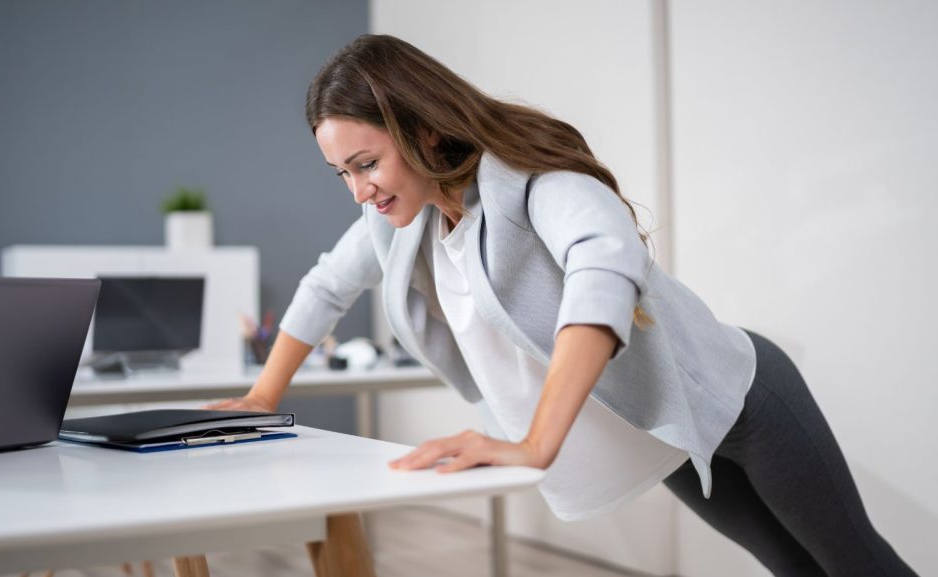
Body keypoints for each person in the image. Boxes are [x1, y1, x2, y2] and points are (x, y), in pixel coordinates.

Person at [208, 34, 917, 576]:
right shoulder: (400, 221)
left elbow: (605, 271)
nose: (358, 190)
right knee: (797, 570)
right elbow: (326, 286)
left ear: (423, 128)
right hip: (668, 434)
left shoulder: (529, 180)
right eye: (342, 174)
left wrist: (534, 443)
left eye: (366, 164)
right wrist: (264, 393)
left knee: (861, 565)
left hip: (747, 399)